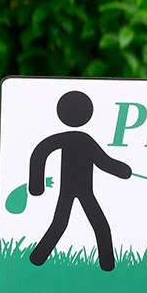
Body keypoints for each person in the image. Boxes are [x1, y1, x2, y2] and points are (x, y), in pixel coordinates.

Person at [28, 90, 132, 269]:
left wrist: (37, 184)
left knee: (63, 223)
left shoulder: (68, 138)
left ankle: (38, 257)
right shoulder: (84, 140)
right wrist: (123, 170)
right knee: (96, 225)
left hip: (77, 191)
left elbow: (41, 152)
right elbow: (104, 162)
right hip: (80, 190)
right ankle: (107, 264)